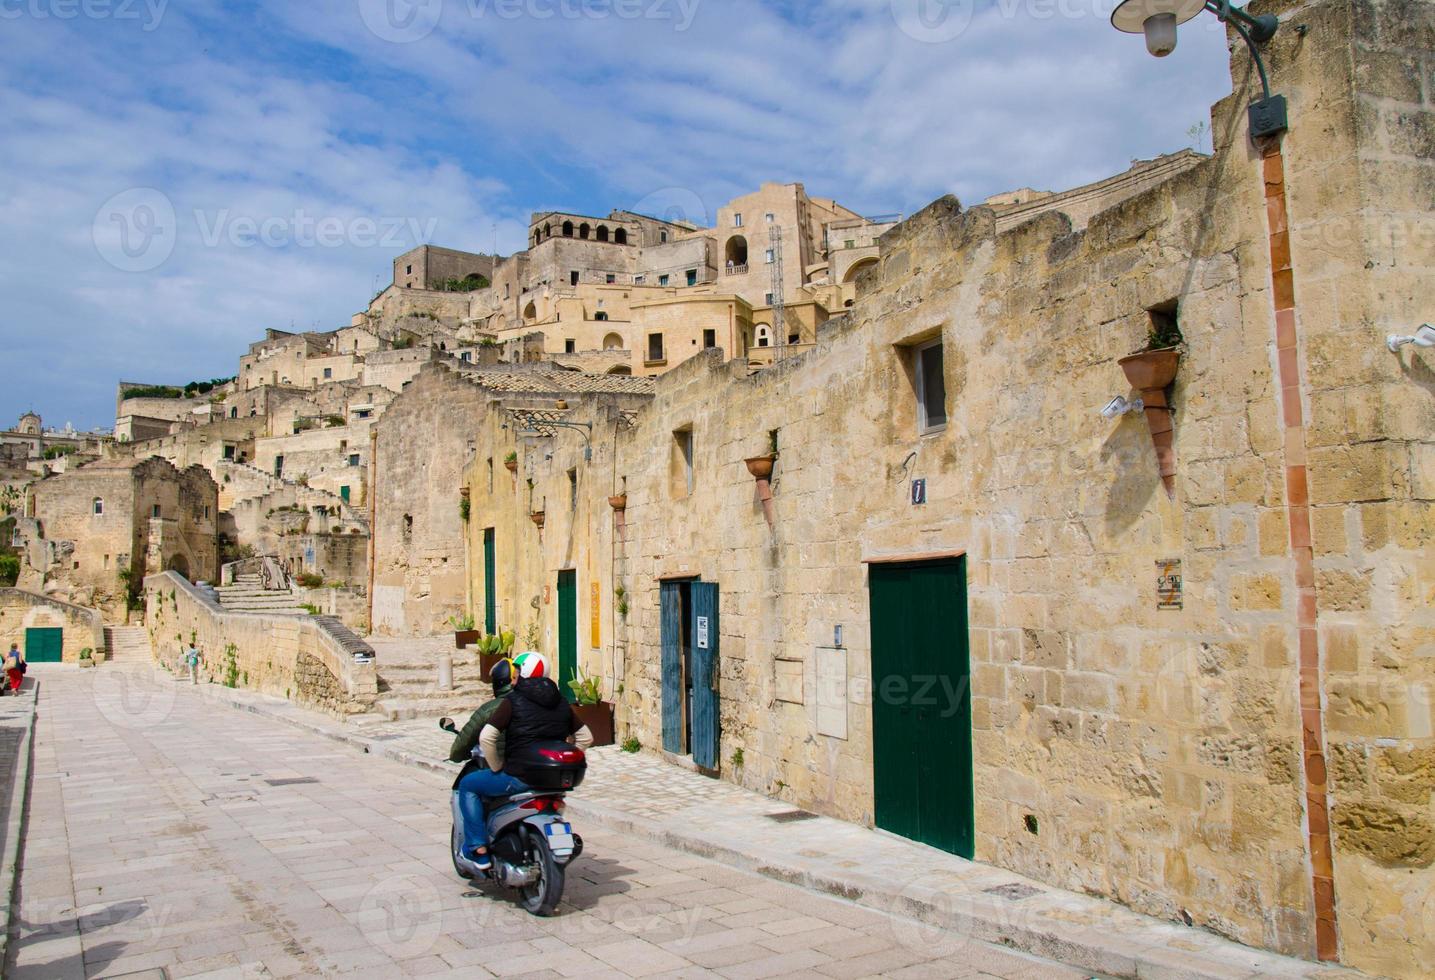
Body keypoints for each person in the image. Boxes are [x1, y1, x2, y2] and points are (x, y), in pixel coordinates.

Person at [473, 653, 593, 868]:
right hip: (553, 780)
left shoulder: (513, 700)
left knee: (467, 786)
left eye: (517, 672)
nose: (513, 677)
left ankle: (478, 847)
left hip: (520, 775)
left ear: (522, 674)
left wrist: (497, 766)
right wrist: (571, 753)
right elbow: (587, 737)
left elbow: (486, 737)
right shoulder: (562, 702)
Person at [451, 658, 525, 871]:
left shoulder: (491, 709)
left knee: (468, 785)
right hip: (538, 771)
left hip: (510, 773)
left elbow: (464, 744)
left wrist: (459, 755)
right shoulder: (532, 705)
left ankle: (478, 849)